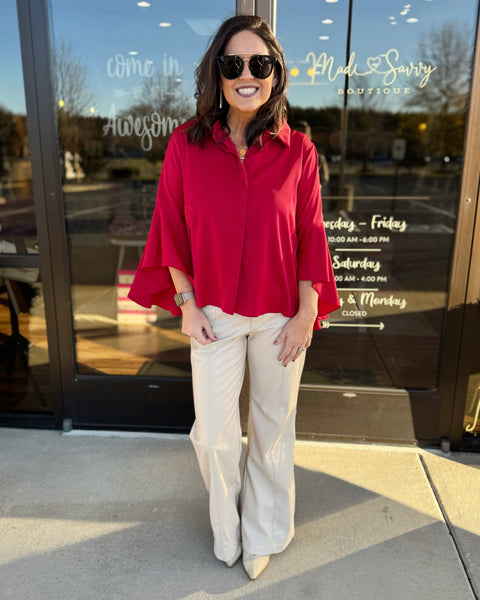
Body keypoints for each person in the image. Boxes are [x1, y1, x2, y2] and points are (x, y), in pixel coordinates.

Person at [128, 15, 339, 580]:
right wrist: (188, 303)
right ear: (216, 75)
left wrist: (306, 312)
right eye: (233, 64)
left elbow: (309, 236)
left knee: (273, 429)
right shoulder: (185, 146)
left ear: (275, 75)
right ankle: (228, 527)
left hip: (278, 317)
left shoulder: (298, 153)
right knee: (216, 433)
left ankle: (264, 532)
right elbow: (170, 227)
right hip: (214, 314)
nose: (247, 74)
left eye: (259, 64)